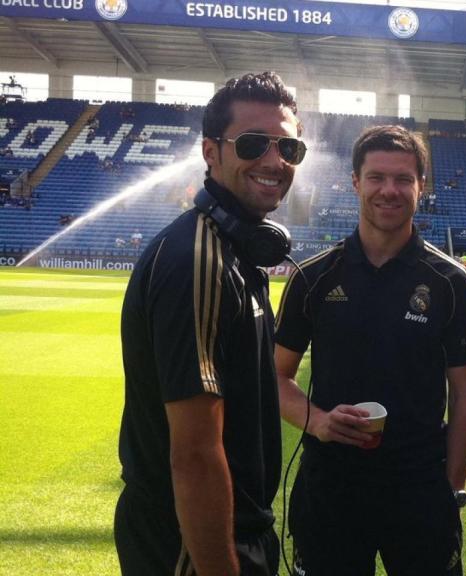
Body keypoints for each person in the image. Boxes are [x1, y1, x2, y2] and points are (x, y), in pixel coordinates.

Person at [275, 125, 466, 575]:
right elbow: (274, 376)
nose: (389, 191)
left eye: (403, 179)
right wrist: (317, 421)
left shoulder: (450, 282)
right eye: (376, 177)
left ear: (421, 186)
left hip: (420, 491)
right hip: (330, 489)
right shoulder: (312, 277)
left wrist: (453, 490)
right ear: (356, 182)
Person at [115, 71, 303, 576]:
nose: (274, 160)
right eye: (253, 143)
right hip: (194, 542)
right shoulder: (199, 262)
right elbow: (195, 456)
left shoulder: (236, 251)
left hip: (226, 531)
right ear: (210, 151)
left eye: (289, 148)